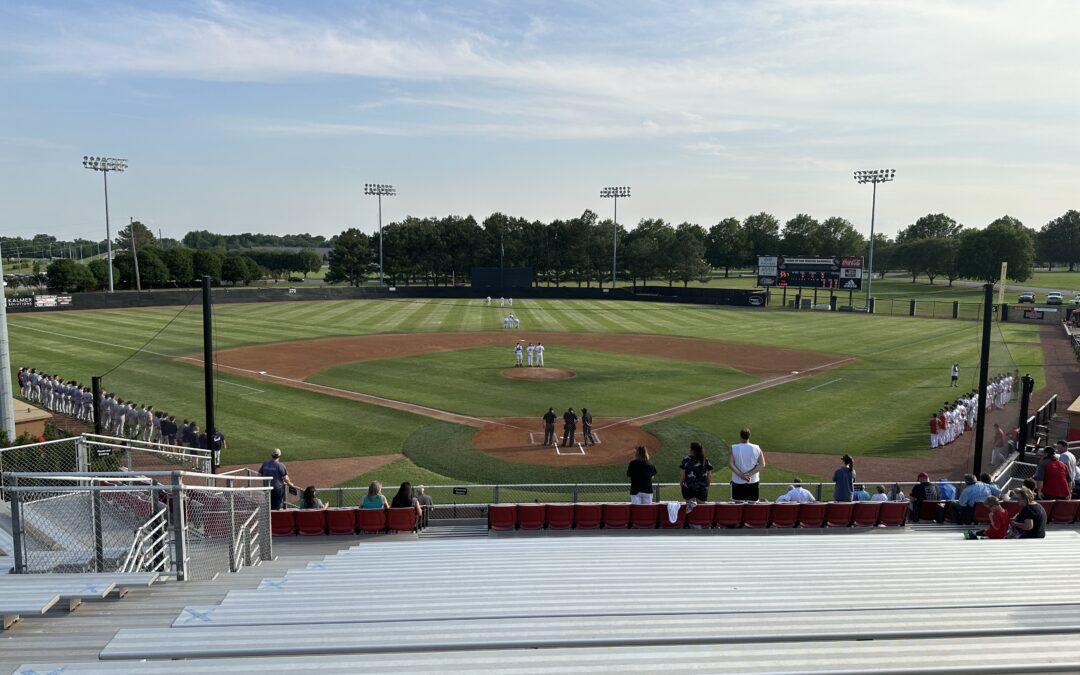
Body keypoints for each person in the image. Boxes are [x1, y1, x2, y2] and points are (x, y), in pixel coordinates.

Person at [729, 428, 765, 501]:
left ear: (740, 436)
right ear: (749, 436)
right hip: (753, 481)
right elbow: (762, 464)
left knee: (738, 507)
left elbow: (730, 464)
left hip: (737, 482)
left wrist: (741, 475)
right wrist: (749, 474)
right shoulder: (757, 448)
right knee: (752, 507)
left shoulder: (733, 447)